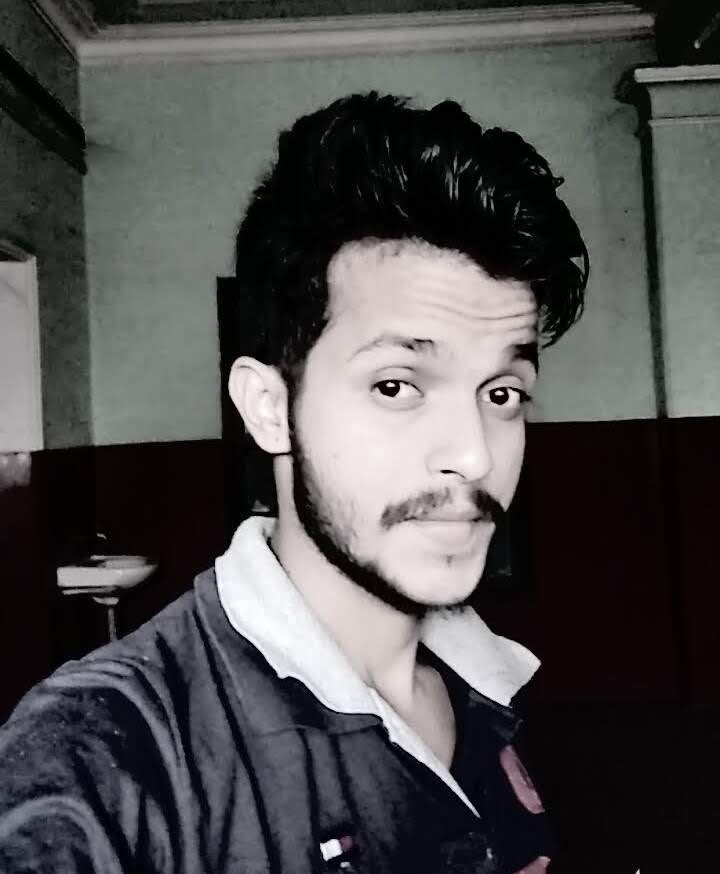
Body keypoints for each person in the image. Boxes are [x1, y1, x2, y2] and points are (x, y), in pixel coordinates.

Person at [0, 92, 588, 873]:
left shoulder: (489, 679)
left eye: (502, 393)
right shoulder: (100, 750)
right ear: (269, 408)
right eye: (396, 386)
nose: (475, 455)